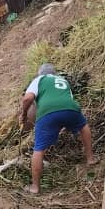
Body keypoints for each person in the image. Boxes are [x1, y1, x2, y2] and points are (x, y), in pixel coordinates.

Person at [19, 62, 98, 195]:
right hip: (71, 109)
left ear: (40, 73)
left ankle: (35, 187)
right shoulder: (63, 80)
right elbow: (66, 101)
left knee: (38, 149)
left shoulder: (39, 79)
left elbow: (28, 98)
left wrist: (23, 114)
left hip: (47, 112)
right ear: (54, 73)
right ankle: (90, 158)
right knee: (83, 126)